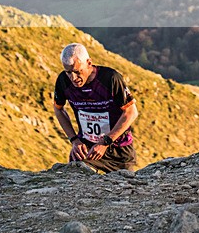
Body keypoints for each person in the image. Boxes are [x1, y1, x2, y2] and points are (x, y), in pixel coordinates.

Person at [53, 43, 139, 172]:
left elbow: (131, 112)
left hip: (119, 150)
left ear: (89, 63)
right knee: (78, 179)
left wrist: (105, 142)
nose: (73, 78)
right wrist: (74, 140)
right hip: (87, 150)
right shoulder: (63, 81)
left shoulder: (110, 79)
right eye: (68, 72)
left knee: (124, 184)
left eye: (77, 71)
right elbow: (58, 109)